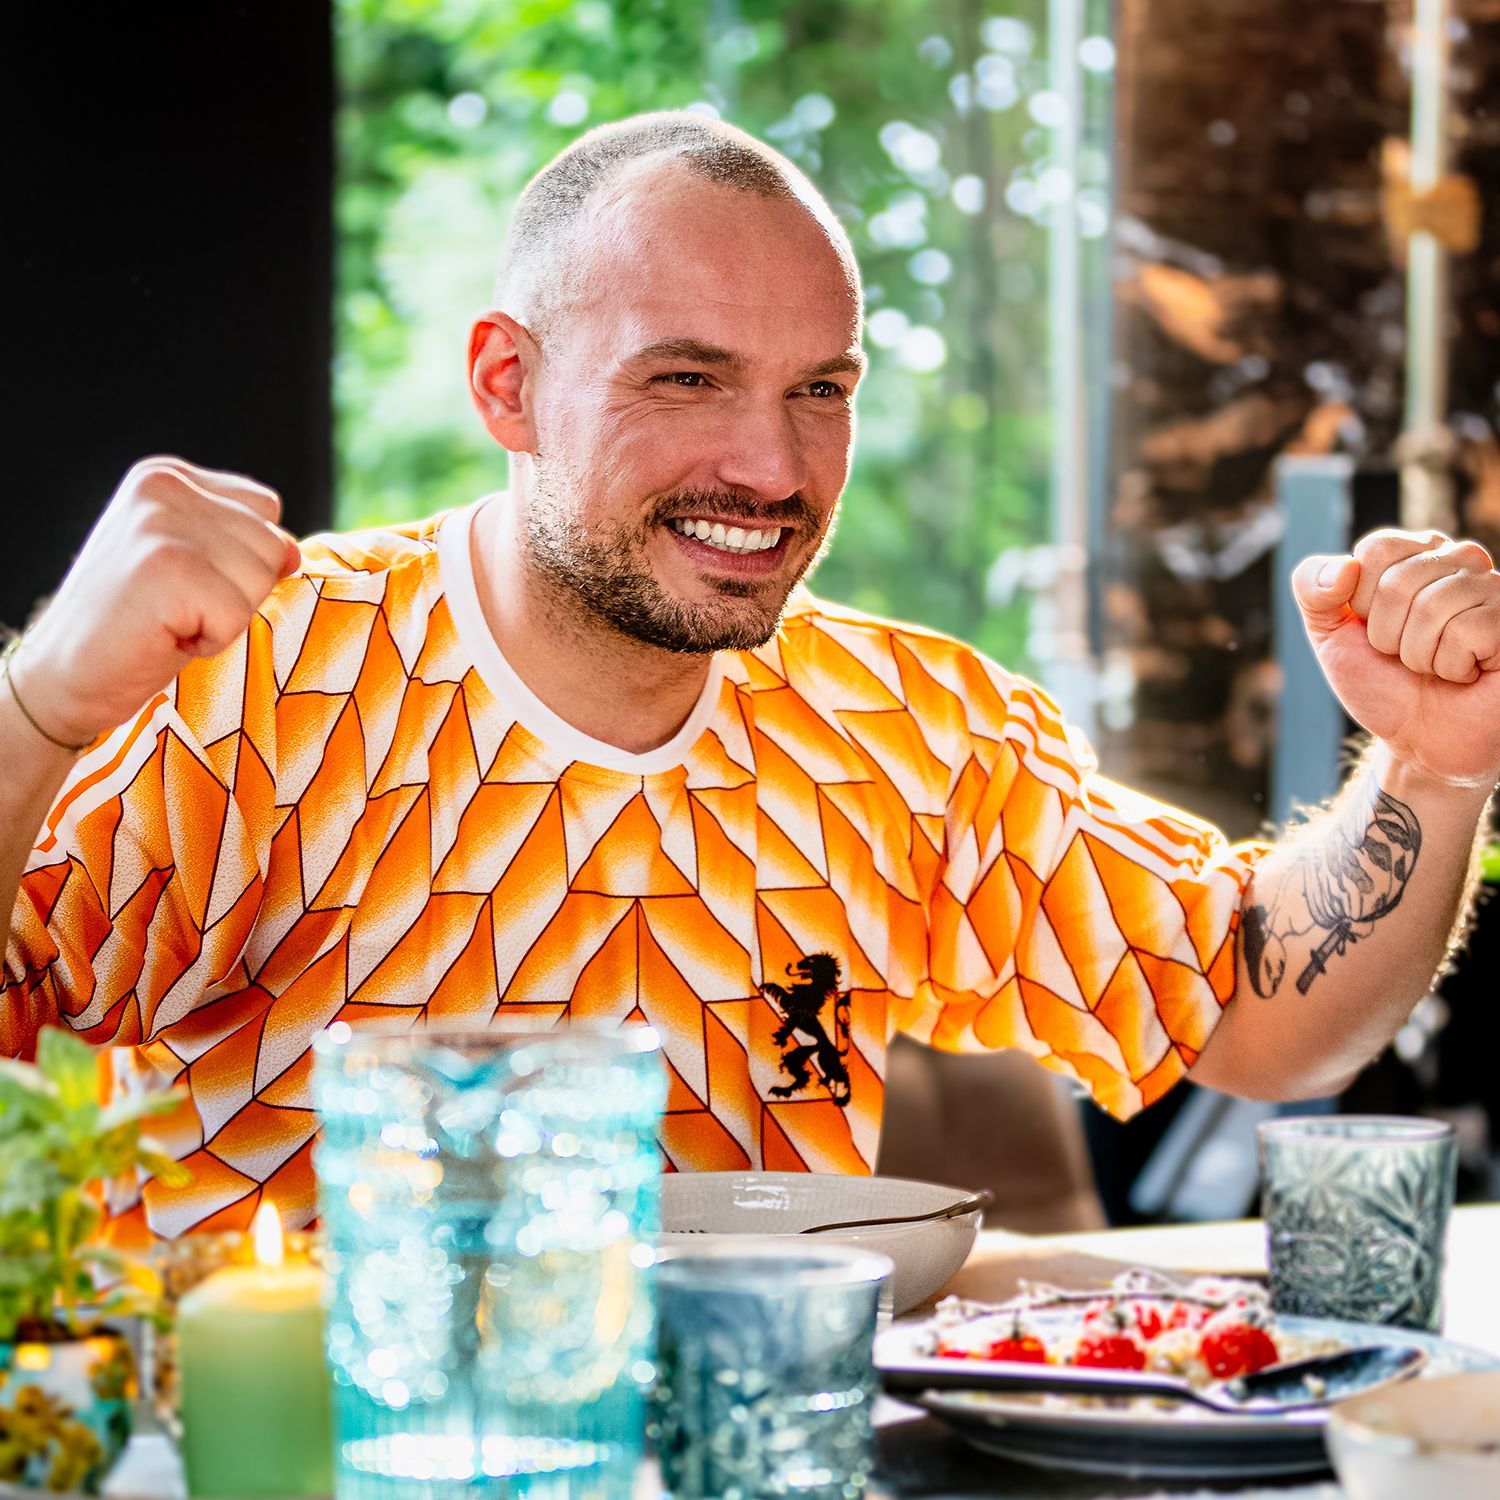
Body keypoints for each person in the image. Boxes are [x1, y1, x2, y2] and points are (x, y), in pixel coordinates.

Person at [3, 113, 1499, 1243]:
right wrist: (43, 708)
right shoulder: (261, 672)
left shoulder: (912, 728)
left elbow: (1259, 1014)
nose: (771, 467)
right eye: (686, 377)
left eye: (820, 391)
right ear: (506, 385)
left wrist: (1431, 766)